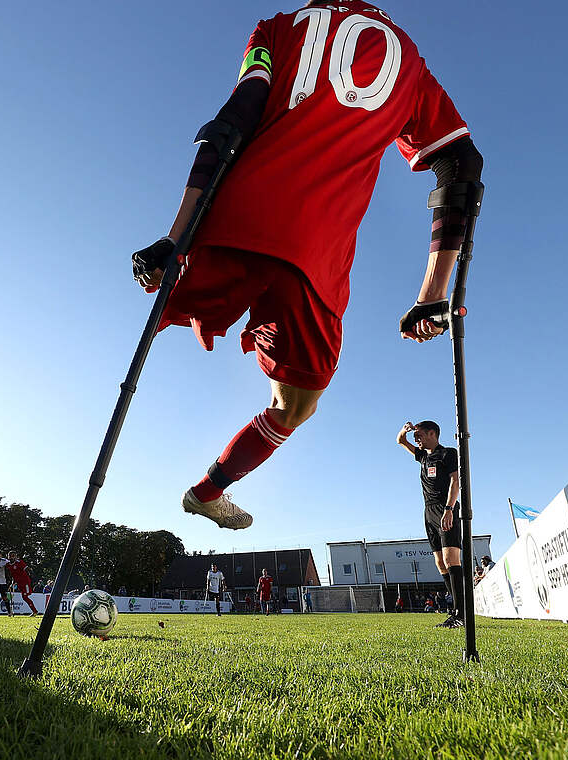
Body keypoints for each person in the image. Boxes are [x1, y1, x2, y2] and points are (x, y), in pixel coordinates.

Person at [130, 1, 482, 532]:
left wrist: (175, 237)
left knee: (148, 328)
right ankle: (207, 491)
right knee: (294, 406)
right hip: (314, 250)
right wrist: (434, 291)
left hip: (230, 221)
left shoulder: (274, 28)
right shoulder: (408, 61)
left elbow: (234, 119)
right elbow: (460, 163)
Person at [397, 420, 465, 629]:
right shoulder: (423, 456)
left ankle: (461, 613)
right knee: (439, 562)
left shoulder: (448, 454)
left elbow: (456, 481)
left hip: (446, 508)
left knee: (450, 558)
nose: (415, 439)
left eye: (419, 435)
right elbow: (400, 441)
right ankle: (455, 610)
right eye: (415, 435)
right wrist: (405, 430)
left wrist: (449, 509)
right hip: (429, 512)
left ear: (432, 434)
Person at [6, 550, 39, 616]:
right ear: (8, 557)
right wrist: (12, 582)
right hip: (18, 583)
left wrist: (33, 578)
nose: (11, 557)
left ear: (16, 557)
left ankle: (35, 611)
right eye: (10, 556)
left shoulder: (19, 562)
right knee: (24, 597)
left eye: (13, 556)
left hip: (25, 582)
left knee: (25, 597)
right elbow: (11, 574)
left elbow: (28, 569)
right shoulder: (8, 565)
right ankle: (34, 611)